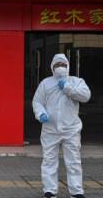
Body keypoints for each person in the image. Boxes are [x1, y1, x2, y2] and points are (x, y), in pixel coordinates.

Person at [33, 54, 91, 198]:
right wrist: (40, 114)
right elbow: (37, 101)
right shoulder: (45, 83)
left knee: (73, 161)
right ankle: (50, 190)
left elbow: (86, 96)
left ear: (68, 66)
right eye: (57, 65)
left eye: (63, 65)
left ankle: (77, 191)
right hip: (50, 129)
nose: (60, 67)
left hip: (71, 129)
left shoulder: (76, 81)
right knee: (49, 160)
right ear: (52, 67)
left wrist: (68, 87)